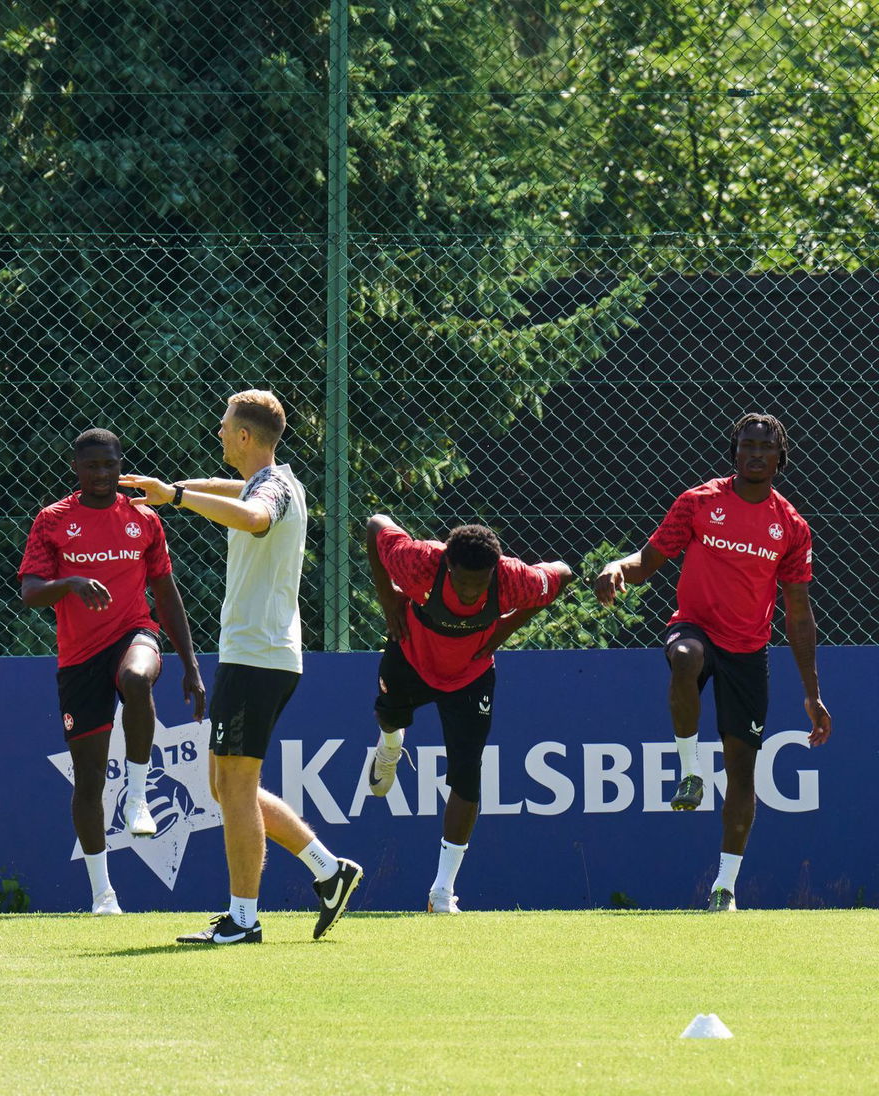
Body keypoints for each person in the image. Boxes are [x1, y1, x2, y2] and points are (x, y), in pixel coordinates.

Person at [122, 390, 362, 944]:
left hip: (258, 659)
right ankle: (328, 870)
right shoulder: (272, 480)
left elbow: (254, 516)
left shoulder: (272, 490)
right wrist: (169, 491)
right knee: (224, 785)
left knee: (234, 785)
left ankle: (243, 919)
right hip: (253, 657)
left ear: (246, 436)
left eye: (226, 425)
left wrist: (176, 496)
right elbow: (234, 490)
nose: (220, 432)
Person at [595, 413, 831, 911]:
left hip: (748, 650)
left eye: (765, 447)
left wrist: (811, 694)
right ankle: (690, 770)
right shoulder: (699, 502)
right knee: (683, 657)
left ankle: (725, 887)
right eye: (747, 445)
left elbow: (799, 612)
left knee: (742, 772)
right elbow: (648, 561)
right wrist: (616, 567)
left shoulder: (791, 526)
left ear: (780, 458)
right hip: (695, 626)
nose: (755, 454)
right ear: (734, 451)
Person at [18, 428, 205, 915]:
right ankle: (103, 894)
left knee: (137, 679)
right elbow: (31, 591)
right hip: (79, 657)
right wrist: (71, 583)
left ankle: (138, 796)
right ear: (76, 469)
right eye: (92, 466)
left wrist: (190, 665)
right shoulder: (53, 520)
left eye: (110, 464)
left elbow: (165, 593)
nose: (102, 474)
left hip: (133, 633)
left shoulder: (144, 519)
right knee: (89, 779)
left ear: (121, 465)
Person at [364, 516, 574, 913]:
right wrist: (387, 598)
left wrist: (506, 628)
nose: (471, 592)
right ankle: (390, 744)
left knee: (467, 773)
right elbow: (376, 526)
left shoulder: (514, 579)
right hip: (410, 657)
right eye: (462, 582)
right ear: (447, 564)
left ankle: (442, 892)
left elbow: (562, 573)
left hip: (470, 677)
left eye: (480, 583)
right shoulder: (420, 561)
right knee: (390, 719)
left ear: (495, 570)